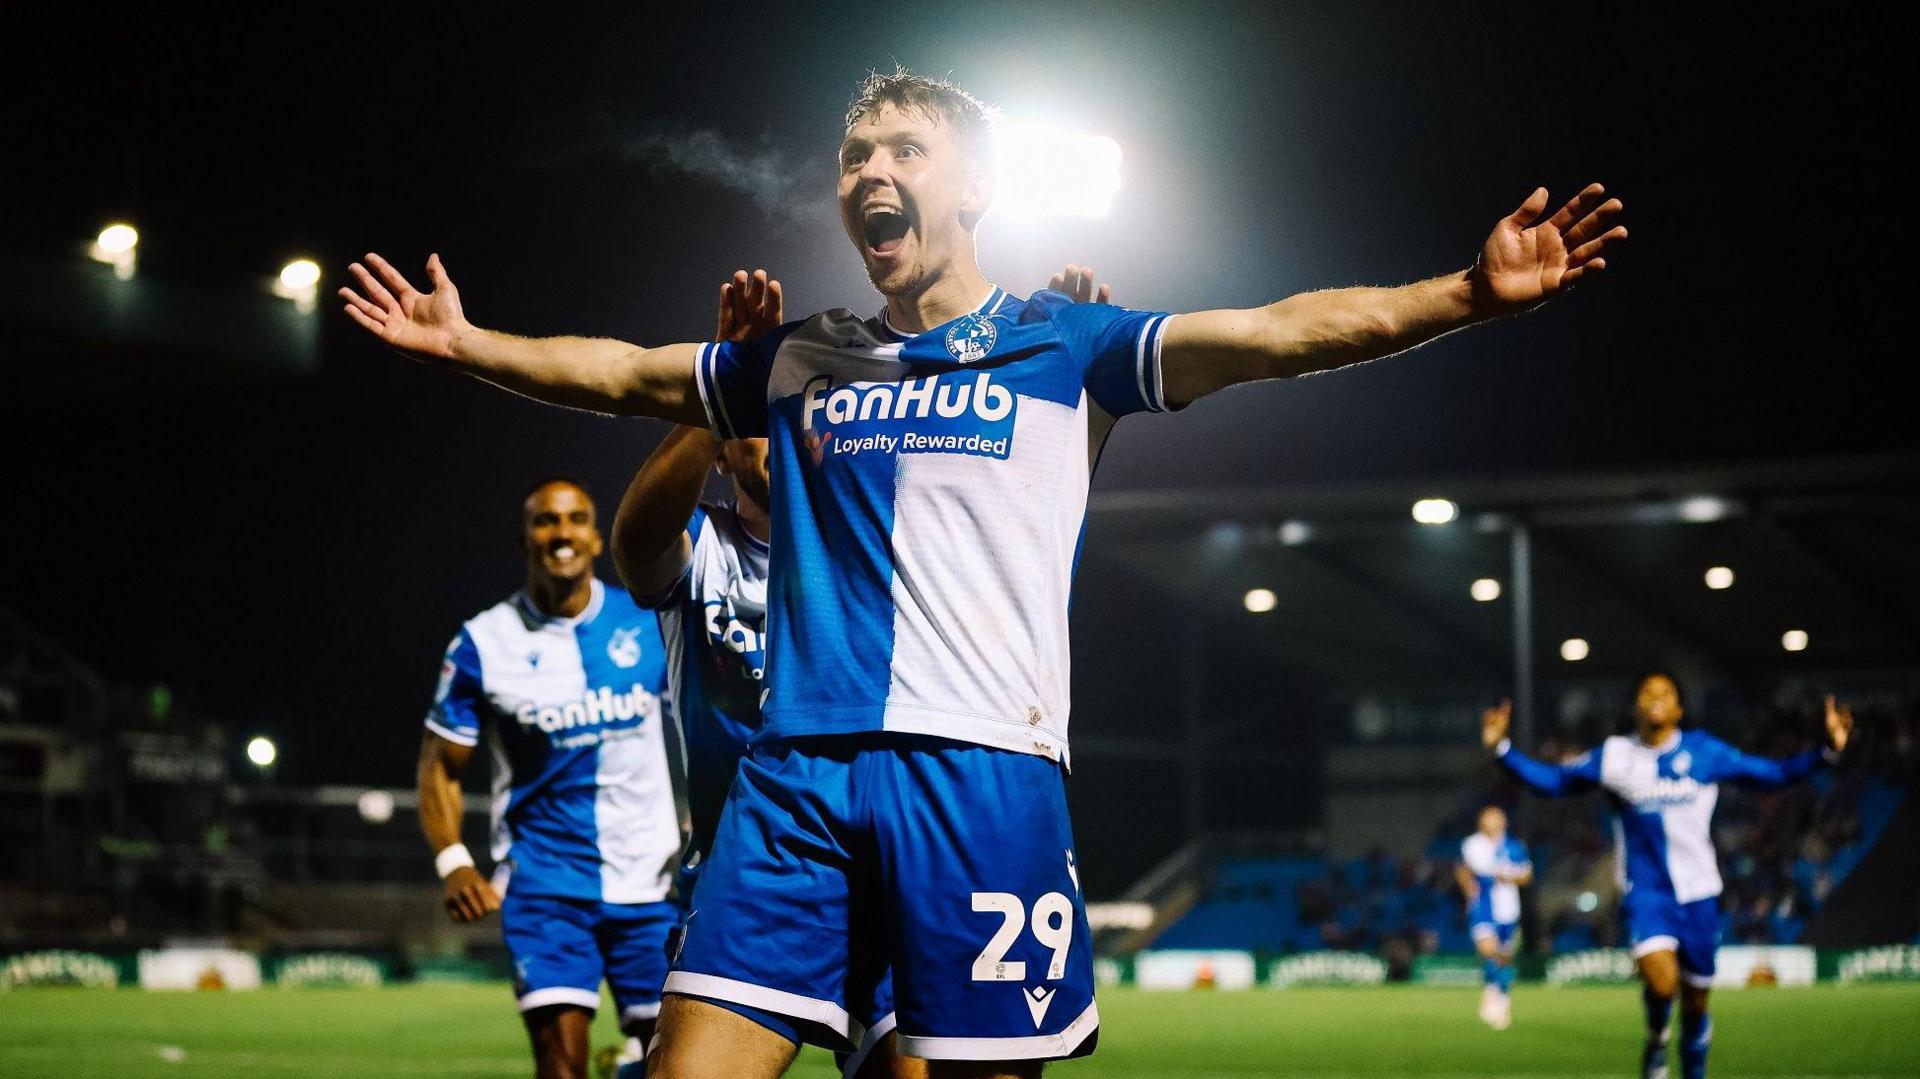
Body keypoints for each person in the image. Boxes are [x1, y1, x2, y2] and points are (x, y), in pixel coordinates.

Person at [345, 67, 1627, 1079]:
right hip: (796, 777)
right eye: (855, 157)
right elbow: (622, 371)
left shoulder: (1069, 347)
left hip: (983, 776)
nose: (871, 173)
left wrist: (1463, 293)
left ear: (977, 189)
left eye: (905, 151)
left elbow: (1278, 334)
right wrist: (465, 345)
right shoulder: (804, 360)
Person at [609, 266, 1110, 1079]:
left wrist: (1076, 394)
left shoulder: (887, 551)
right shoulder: (708, 548)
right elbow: (634, 549)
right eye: (752, 423)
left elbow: (1022, 521)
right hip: (763, 849)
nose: (770, 439)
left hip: (900, 840)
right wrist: (724, 382)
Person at [417, 477, 680, 1079]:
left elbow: (703, 722)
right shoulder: (483, 643)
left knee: (677, 1063)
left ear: (596, 535)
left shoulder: (645, 622)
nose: (562, 532)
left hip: (652, 882)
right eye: (546, 520)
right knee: (561, 1067)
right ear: (524, 539)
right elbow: (439, 765)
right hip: (545, 886)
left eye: (576, 518)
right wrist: (453, 860)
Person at [1481, 676, 1852, 1079]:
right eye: (1647, 693)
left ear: (1678, 710)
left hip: (1699, 894)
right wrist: (1502, 750)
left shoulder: (1704, 751)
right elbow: (1555, 782)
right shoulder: (1616, 756)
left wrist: (1827, 752)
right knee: (1660, 984)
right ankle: (1657, 1037)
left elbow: (1770, 774)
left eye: (1666, 694)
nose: (1656, 699)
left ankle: (1692, 1066)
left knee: (1696, 1005)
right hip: (1646, 894)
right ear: (1635, 707)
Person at [1454, 805, 1531, 1029]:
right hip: (1483, 906)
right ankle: (1492, 990)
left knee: (1502, 956)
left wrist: (1511, 878)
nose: (1492, 822)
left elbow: (1526, 876)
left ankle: (1501, 997)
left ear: (1503, 821)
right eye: (1488, 818)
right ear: (1481, 821)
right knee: (1487, 948)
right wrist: (1467, 887)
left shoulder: (1514, 847)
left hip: (1508, 908)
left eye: (1496, 817)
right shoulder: (1472, 844)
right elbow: (1465, 869)